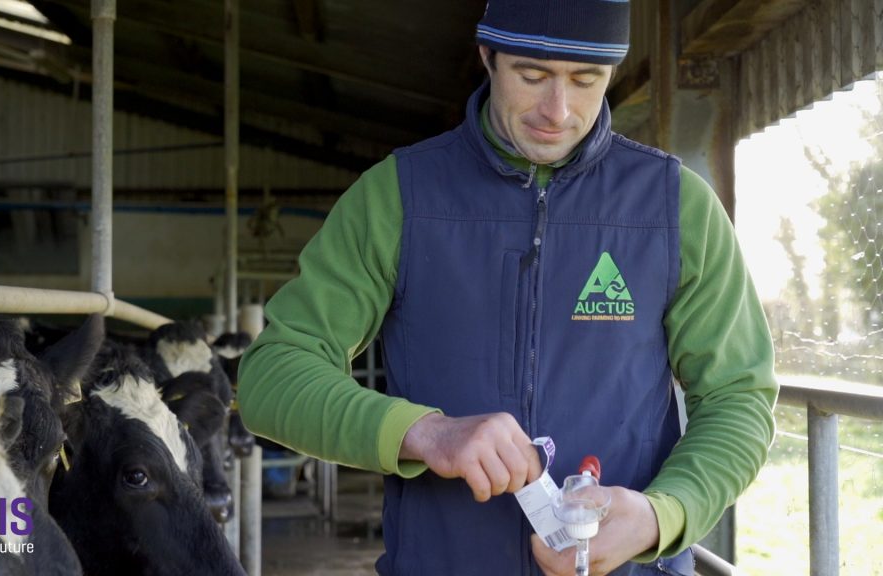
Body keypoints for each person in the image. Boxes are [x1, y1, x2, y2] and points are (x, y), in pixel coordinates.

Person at [238, 0, 778, 574]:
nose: (558, 110)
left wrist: (662, 515)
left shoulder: (675, 206)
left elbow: (737, 397)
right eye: (532, 75)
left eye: (585, 79)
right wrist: (425, 433)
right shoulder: (398, 197)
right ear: (487, 56)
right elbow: (273, 376)